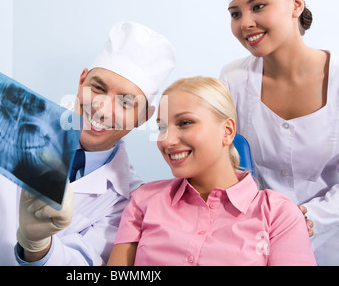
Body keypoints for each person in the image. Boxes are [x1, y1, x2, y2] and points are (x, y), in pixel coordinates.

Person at [0, 21, 176, 265]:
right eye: (97, 87)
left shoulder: (129, 200)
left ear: (144, 117)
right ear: (81, 81)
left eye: (126, 103)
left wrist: (38, 247)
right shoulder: (10, 121)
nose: (101, 109)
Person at [107, 77, 317, 266]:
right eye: (162, 128)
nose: (167, 140)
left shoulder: (278, 215)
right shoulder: (144, 201)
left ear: (227, 131)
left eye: (185, 123)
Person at [220, 0, 339, 265]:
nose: (245, 23)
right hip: (255, 238)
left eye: (258, 6)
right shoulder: (233, 79)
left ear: (296, 5)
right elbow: (226, 161)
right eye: (235, 13)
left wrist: (305, 218)